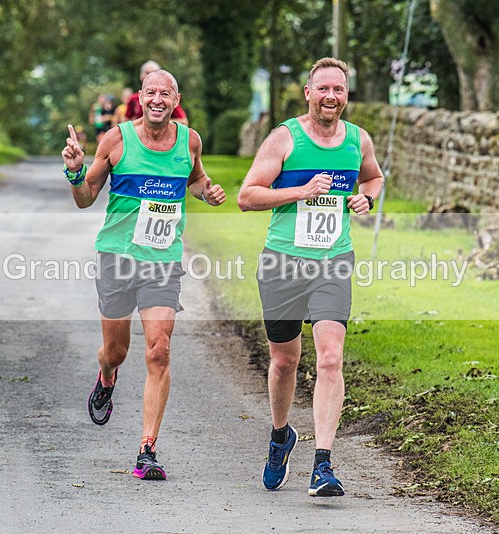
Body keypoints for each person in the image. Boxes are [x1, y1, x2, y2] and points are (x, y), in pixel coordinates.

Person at [61, 69, 226, 480]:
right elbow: (85, 200)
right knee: (117, 350)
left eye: (165, 94)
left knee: (159, 350)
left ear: (175, 99)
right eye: (151, 92)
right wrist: (76, 172)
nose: (157, 99)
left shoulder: (189, 140)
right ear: (141, 97)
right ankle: (107, 373)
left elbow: (195, 178)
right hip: (118, 257)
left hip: (162, 262)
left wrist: (207, 190)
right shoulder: (117, 139)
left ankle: (147, 449)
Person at [237, 57, 384, 497]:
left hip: (333, 261)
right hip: (283, 262)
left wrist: (365, 199)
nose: (331, 97)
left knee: (330, 358)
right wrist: (300, 191)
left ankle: (323, 465)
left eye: (338, 90)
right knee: (284, 360)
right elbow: (247, 196)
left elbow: (374, 179)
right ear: (308, 92)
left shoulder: (358, 140)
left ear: (346, 94)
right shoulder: (285, 138)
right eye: (323, 89)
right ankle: (281, 435)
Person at [125, 61, 189, 126]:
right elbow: (125, 121)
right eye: (147, 73)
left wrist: (161, 123)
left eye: (154, 72)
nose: (156, 101)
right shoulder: (133, 99)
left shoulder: (168, 101)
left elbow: (184, 121)